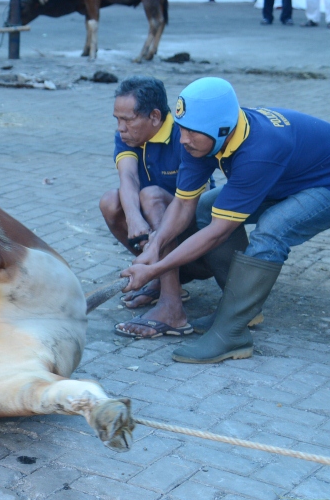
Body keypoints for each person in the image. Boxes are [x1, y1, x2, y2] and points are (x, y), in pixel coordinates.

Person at [122, 77, 330, 363]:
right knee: (206, 206)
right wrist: (154, 249)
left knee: (272, 232)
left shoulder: (261, 149)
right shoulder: (201, 137)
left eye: (191, 133)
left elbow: (219, 232)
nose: (182, 139)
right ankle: (242, 308)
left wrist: (157, 268)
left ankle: (232, 333)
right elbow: (183, 204)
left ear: (222, 129)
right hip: (286, 179)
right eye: (181, 129)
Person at [100, 77, 235, 339]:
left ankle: (172, 308)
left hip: (194, 237)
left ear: (154, 116)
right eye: (117, 119)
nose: (120, 128)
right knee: (110, 202)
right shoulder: (128, 138)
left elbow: (199, 201)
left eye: (127, 120)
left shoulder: (185, 135)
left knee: (151, 196)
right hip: (157, 236)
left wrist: (146, 219)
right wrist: (134, 218)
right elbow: (127, 178)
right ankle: (161, 279)